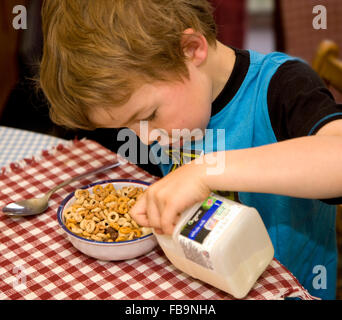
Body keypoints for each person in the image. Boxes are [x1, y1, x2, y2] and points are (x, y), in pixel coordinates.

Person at [39, 0, 342, 299]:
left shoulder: (283, 87)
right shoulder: (166, 105)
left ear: (192, 49)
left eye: (148, 116)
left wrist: (205, 172)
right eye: (126, 127)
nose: (144, 140)